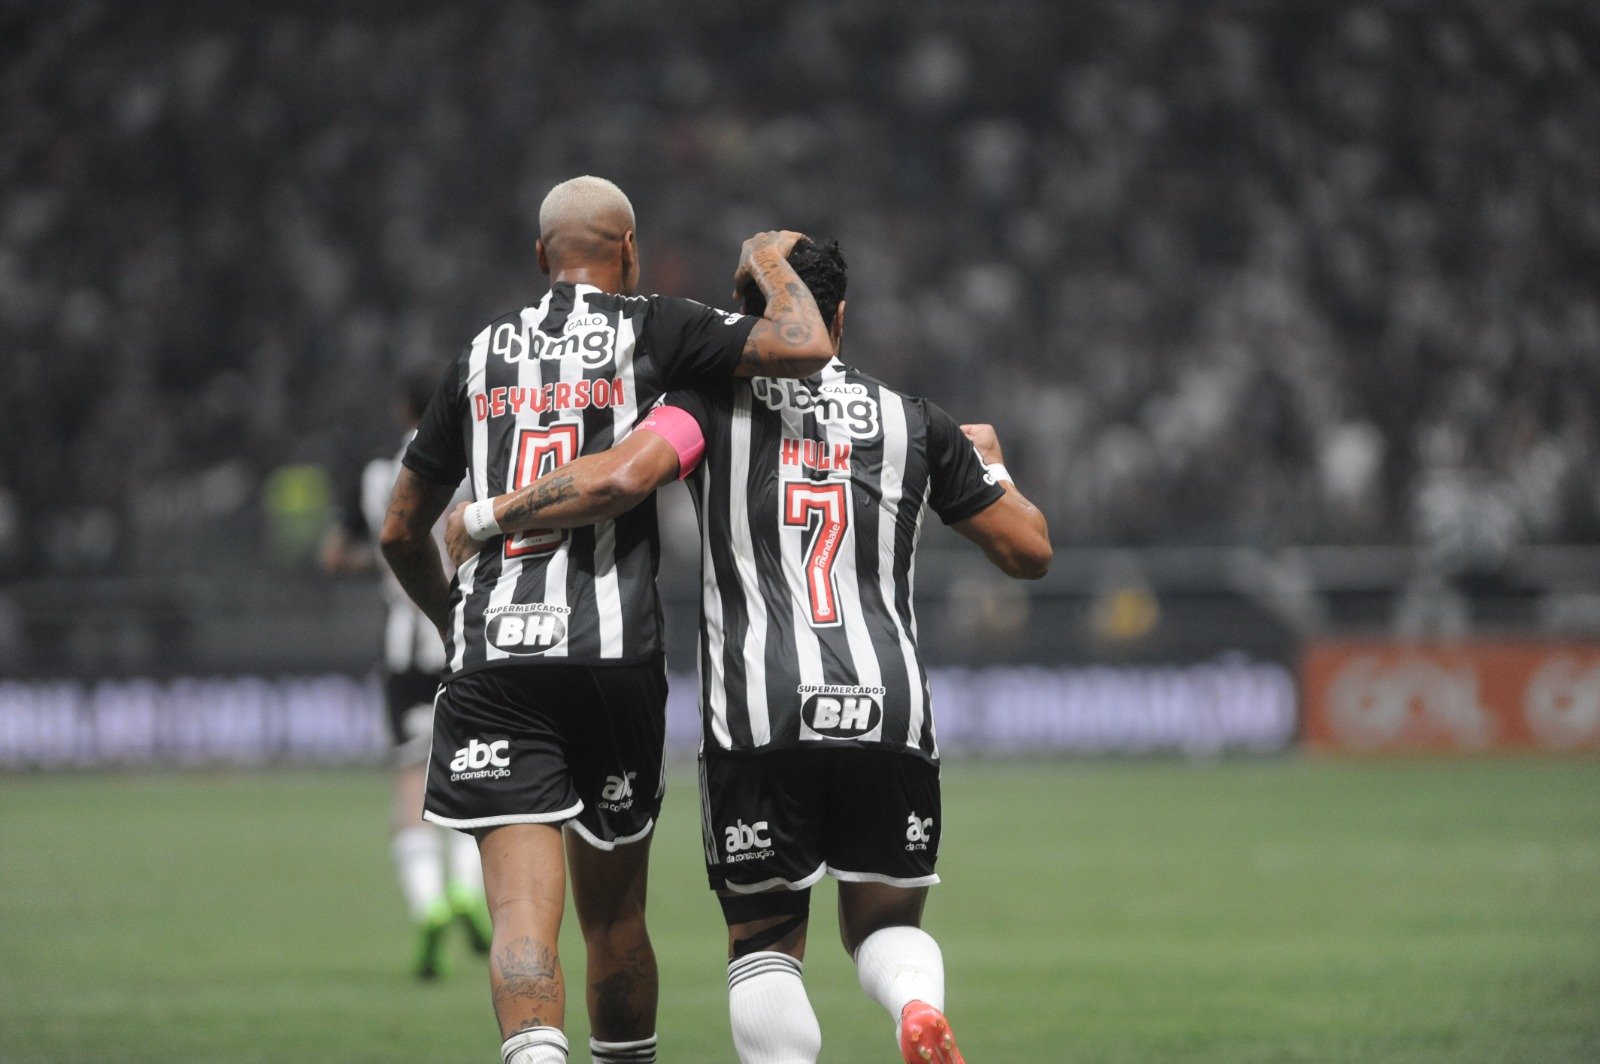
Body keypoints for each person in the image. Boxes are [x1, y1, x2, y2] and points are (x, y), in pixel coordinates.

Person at [445, 238, 1052, 1064]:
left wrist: (489, 514)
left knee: (764, 947)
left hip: (760, 713)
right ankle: (914, 1007)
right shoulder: (916, 422)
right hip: (890, 711)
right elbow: (1029, 550)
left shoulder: (703, 408)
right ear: (839, 316)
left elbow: (622, 475)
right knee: (883, 924)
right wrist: (995, 466)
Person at [379, 175, 835, 1064]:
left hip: (495, 662)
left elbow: (402, 527)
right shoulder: (654, 326)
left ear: (538, 258)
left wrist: (452, 624)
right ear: (628, 251)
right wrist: (769, 260)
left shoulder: (475, 358)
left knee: (518, 913)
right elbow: (804, 342)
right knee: (616, 914)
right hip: (613, 658)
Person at [320, 364, 489, 980]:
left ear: (400, 410)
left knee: (408, 782)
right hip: (465, 638)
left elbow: (336, 555)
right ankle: (469, 887)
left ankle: (428, 905)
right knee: (478, 773)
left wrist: (387, 566)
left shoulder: (372, 476)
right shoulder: (477, 461)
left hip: (402, 647)